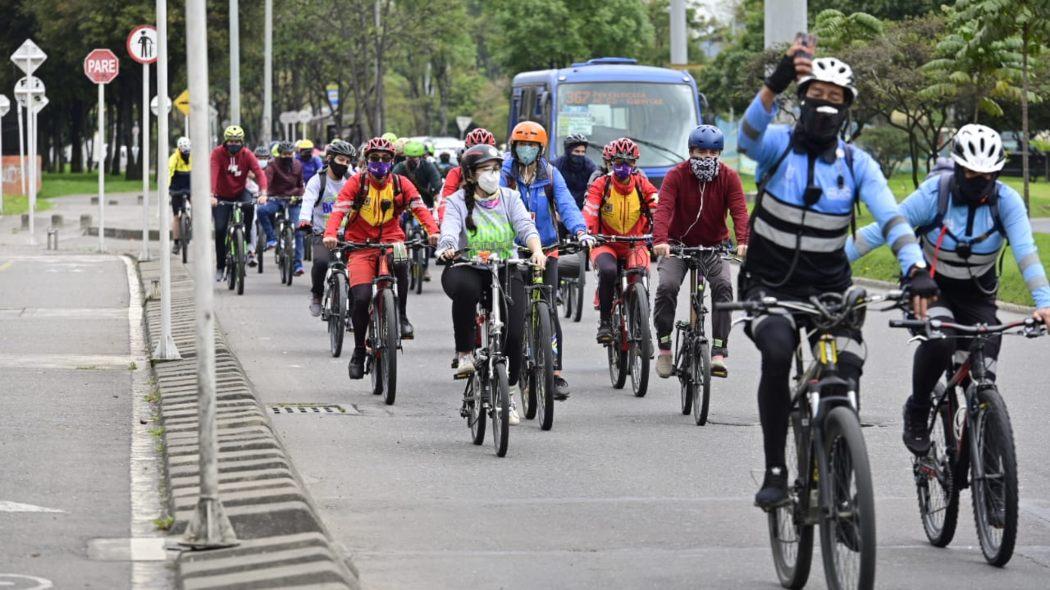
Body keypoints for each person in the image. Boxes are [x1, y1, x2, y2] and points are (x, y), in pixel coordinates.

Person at [737, 42, 936, 509]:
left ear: (847, 109)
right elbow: (746, 138)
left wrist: (915, 268)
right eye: (817, 94)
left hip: (829, 288)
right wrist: (774, 84)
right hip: (770, 285)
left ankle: (842, 486)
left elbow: (892, 219)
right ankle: (775, 469)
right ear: (802, 98)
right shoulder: (777, 147)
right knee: (777, 352)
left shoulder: (856, 163)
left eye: (836, 97)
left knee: (844, 372)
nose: (825, 105)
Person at [847, 124, 1050, 455]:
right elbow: (882, 230)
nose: (979, 180)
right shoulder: (934, 195)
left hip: (977, 295)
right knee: (941, 340)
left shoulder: (1006, 202)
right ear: (957, 167)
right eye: (971, 173)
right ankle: (917, 409)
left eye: (988, 174)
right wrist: (830, 262)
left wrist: (1045, 303)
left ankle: (986, 447)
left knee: (984, 366)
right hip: (932, 290)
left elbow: (1027, 254)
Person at [437, 144, 546, 425]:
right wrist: (447, 247)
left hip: (505, 267)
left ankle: (508, 393)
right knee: (467, 289)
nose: (492, 175)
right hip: (467, 266)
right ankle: (465, 353)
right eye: (486, 169)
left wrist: (536, 250)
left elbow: (525, 226)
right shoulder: (457, 202)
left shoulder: (510, 197)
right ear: (470, 175)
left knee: (514, 332)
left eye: (496, 169)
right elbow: (449, 230)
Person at [323, 137, 440, 380]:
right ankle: (358, 350)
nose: (380, 162)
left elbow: (419, 208)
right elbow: (339, 211)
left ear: (392, 161)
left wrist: (433, 231)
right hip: (359, 245)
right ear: (366, 161)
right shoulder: (356, 183)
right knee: (361, 297)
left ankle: (402, 316)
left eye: (385, 159)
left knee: (402, 260)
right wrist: (331, 234)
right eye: (374, 158)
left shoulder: (401, 183)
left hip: (392, 239)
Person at [501, 120, 593, 400]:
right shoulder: (505, 173)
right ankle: (507, 368)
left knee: (549, 309)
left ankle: (555, 373)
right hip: (513, 252)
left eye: (532, 145)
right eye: (521, 144)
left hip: (547, 249)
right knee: (513, 314)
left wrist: (581, 231)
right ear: (513, 146)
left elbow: (566, 205)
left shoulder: (551, 174)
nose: (526, 149)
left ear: (541, 148)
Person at [652, 125, 750, 379]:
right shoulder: (676, 175)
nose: (707, 157)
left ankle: (718, 352)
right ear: (691, 151)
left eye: (713, 153)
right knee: (667, 286)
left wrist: (743, 241)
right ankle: (664, 347)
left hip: (713, 246)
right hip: (677, 245)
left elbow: (739, 210)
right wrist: (660, 240)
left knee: (723, 286)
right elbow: (663, 209)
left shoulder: (729, 177)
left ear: (719, 154)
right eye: (701, 152)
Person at [582, 138, 658, 343]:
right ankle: (605, 322)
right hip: (605, 242)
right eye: (618, 161)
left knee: (640, 276)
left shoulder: (642, 184)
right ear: (610, 163)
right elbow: (590, 210)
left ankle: (642, 328)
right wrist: (586, 233)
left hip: (635, 243)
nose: (623, 166)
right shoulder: (602, 184)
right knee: (608, 271)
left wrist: (663, 232)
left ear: (635, 164)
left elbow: (656, 206)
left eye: (629, 162)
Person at [298, 141, 357, 316]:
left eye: (348, 161)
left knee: (355, 269)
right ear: (330, 158)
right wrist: (304, 219)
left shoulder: (352, 179)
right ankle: (317, 294)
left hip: (348, 233)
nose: (344, 164)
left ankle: (353, 307)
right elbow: (308, 201)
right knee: (321, 263)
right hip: (321, 232)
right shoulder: (317, 180)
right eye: (341, 160)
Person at [210, 125, 268, 282]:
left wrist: (263, 192)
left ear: (242, 141)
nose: (234, 144)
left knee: (250, 205)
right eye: (231, 141)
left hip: (240, 192)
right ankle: (220, 267)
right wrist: (211, 195)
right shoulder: (217, 154)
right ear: (225, 141)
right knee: (220, 230)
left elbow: (259, 173)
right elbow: (213, 174)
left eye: (237, 141)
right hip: (221, 196)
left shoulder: (247, 154)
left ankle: (247, 243)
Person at [258, 141, 306, 274]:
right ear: (279, 154)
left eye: (290, 154)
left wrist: (302, 195)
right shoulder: (272, 165)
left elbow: (300, 184)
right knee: (261, 210)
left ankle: (298, 264)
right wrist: (264, 195)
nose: (288, 156)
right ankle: (272, 238)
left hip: (293, 200)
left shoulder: (298, 165)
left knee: (299, 230)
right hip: (276, 199)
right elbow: (267, 181)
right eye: (285, 154)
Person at [436, 128, 497, 222]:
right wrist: (445, 222)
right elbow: (446, 202)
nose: (480, 159)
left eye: (486, 155)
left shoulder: (500, 173)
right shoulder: (456, 173)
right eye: (475, 154)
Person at [552, 133, 597, 209]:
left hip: (583, 209)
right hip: (560, 208)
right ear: (568, 151)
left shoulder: (589, 166)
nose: (580, 154)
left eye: (583, 152)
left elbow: (596, 182)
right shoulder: (557, 165)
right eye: (577, 151)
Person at [169, 136, 192, 255]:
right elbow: (169, 172)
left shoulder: (193, 157)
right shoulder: (174, 158)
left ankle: (192, 226)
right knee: (175, 216)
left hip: (190, 187)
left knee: (197, 207)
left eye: (187, 151)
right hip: (176, 188)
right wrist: (167, 187)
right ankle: (176, 242)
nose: (185, 153)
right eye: (183, 150)